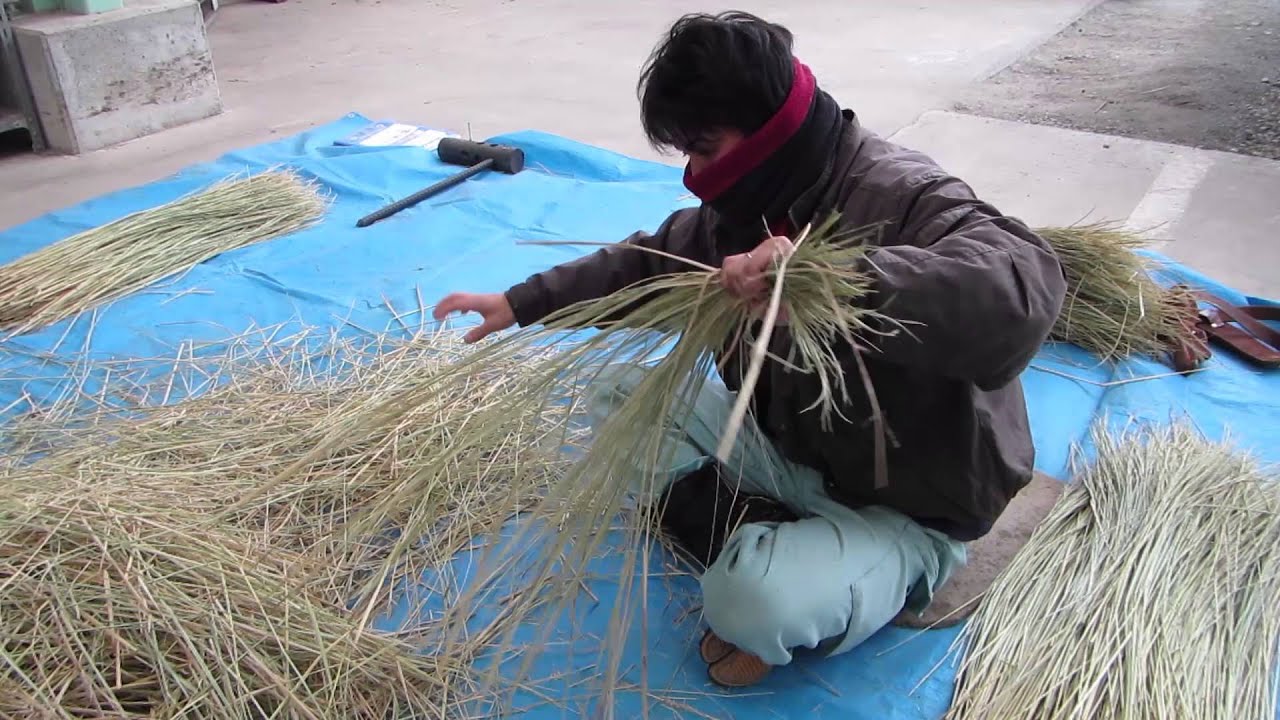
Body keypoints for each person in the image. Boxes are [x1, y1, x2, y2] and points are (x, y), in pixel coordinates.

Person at [433, 11, 1068, 688]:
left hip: (909, 499)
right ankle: (773, 529)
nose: (694, 175)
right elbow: (648, 266)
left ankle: (864, 563)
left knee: (750, 603)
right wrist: (523, 303)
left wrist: (836, 279)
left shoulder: (901, 192)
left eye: (705, 149)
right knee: (615, 396)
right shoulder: (746, 206)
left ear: (769, 130)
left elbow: (1021, 287)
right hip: (789, 449)